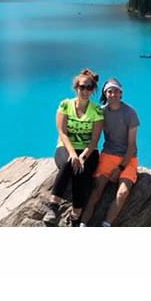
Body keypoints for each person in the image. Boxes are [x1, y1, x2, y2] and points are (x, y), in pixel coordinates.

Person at [42, 69, 103, 226]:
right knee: (70, 163)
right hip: (65, 147)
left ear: (93, 90)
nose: (85, 91)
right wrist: (73, 154)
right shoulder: (65, 105)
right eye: (82, 87)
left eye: (89, 88)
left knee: (80, 170)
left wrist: (82, 156)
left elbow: (95, 140)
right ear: (76, 87)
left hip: (88, 151)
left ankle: (76, 213)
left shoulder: (96, 110)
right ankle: (53, 206)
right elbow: (62, 132)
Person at [81, 77, 139, 227]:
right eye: (109, 91)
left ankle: (105, 225)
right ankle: (82, 224)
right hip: (107, 155)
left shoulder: (130, 113)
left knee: (122, 193)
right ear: (105, 94)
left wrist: (119, 168)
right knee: (96, 190)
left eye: (116, 91)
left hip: (128, 158)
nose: (112, 94)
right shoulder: (101, 112)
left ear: (121, 93)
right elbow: (91, 134)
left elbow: (131, 146)